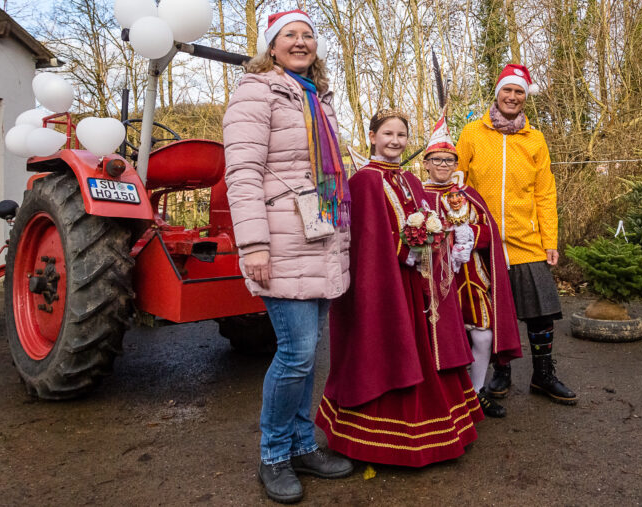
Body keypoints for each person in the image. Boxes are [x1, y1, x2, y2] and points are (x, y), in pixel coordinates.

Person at [222, 9, 353, 503]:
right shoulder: (256, 92)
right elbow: (243, 174)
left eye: (308, 35)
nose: (300, 42)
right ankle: (274, 455)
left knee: (307, 352)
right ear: (271, 47)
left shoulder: (318, 97)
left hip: (319, 237)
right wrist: (254, 244)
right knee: (295, 353)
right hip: (280, 239)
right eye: (289, 35)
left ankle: (301, 445)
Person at [316, 109, 483, 467]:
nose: (395, 141)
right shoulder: (363, 182)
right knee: (389, 347)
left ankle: (434, 432)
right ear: (372, 137)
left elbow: (426, 220)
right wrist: (405, 249)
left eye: (401, 135)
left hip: (418, 281)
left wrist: (433, 238)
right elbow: (366, 240)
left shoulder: (410, 179)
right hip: (385, 284)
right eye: (388, 134)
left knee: (422, 349)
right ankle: (377, 442)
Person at [455, 63, 577, 405]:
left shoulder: (534, 139)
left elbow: (545, 193)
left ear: (526, 97)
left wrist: (549, 241)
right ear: (497, 93)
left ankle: (543, 375)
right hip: (484, 241)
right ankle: (501, 371)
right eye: (507, 90)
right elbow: (456, 183)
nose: (512, 96)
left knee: (541, 309)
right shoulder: (472, 133)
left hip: (527, 240)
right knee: (492, 311)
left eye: (518, 91)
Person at [422, 114, 522, 417]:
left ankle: (476, 393)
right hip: (431, 280)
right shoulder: (417, 194)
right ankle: (442, 396)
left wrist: (468, 234)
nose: (443, 165)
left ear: (456, 164)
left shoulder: (468, 194)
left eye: (449, 160)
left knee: (483, 334)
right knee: (435, 338)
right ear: (426, 163)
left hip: (472, 276)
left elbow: (489, 232)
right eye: (437, 160)